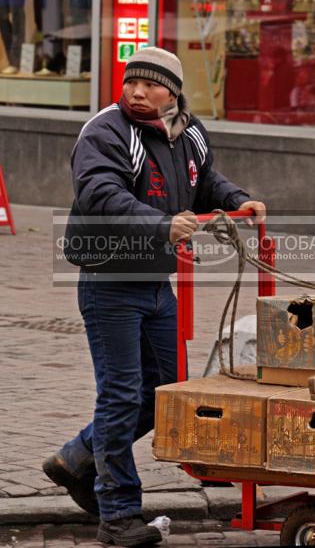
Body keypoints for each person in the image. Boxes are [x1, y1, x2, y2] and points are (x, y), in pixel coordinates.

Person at [43, 47, 266, 547]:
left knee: (166, 393)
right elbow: (101, 193)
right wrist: (161, 225)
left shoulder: (187, 131)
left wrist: (235, 200)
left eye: (149, 85)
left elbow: (201, 180)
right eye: (131, 84)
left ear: (173, 91)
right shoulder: (105, 131)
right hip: (109, 281)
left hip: (155, 282)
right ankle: (118, 515)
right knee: (121, 394)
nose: (137, 92)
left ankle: (77, 459)